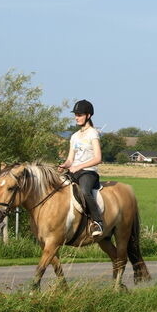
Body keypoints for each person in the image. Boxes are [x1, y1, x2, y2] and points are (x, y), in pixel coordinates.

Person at [59, 99, 103, 237]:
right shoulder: (74, 136)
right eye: (76, 115)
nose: (76, 117)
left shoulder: (93, 133)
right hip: (74, 171)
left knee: (84, 191)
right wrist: (64, 165)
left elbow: (98, 158)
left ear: (88, 116)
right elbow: (70, 160)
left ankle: (97, 222)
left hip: (88, 172)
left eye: (79, 115)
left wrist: (79, 166)